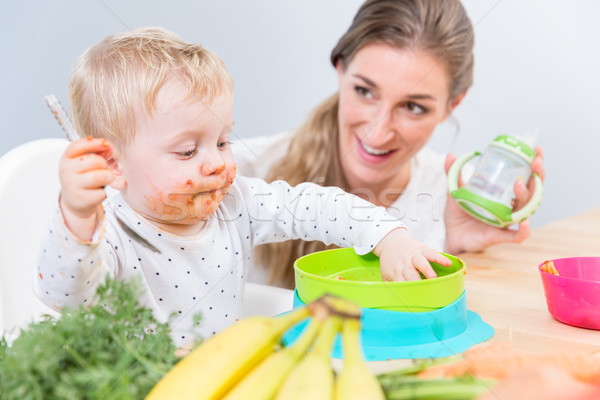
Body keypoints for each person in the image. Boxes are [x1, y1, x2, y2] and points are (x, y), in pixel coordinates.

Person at [33, 27, 451, 347]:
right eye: (186, 152)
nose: (216, 163)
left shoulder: (236, 204)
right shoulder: (110, 235)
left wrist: (388, 238)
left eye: (222, 141)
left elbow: (317, 206)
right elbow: (63, 295)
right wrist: (76, 218)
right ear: (112, 165)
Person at [235, 0, 546, 288]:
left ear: (452, 105)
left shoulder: (452, 203)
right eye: (365, 91)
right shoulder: (238, 172)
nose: (378, 133)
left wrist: (457, 251)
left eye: (413, 107)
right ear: (341, 68)